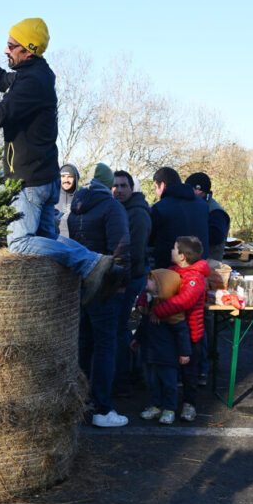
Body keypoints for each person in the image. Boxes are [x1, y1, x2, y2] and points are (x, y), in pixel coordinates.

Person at [0, 19, 120, 305]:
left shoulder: (32, 81)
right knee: (46, 239)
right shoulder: (35, 74)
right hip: (43, 176)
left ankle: (90, 263)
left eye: (11, 46)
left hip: (29, 181)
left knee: (20, 243)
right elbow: (1, 79)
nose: (6, 50)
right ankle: (92, 265)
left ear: (28, 50)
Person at [67, 178, 130, 427]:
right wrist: (121, 283)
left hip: (81, 283)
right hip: (105, 285)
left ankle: (81, 402)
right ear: (107, 186)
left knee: (84, 343)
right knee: (105, 346)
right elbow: (121, 249)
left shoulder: (75, 209)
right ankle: (103, 409)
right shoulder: (112, 208)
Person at [143, 236, 209, 422]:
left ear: (183, 256)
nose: (171, 251)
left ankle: (189, 404)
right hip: (171, 331)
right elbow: (153, 287)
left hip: (190, 332)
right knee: (168, 369)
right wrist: (144, 302)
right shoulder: (172, 271)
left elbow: (184, 301)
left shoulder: (196, 277)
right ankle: (164, 404)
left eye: (174, 248)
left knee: (189, 371)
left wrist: (158, 311)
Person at [102, 166, 150, 392]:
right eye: (115, 185)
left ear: (132, 188)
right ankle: (128, 374)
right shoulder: (117, 209)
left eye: (123, 186)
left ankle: (124, 379)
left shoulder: (137, 213)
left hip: (130, 278)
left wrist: (121, 283)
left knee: (121, 328)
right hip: (121, 276)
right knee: (119, 327)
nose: (118, 190)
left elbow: (136, 251)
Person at [132, 258, 192, 425]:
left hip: (167, 357)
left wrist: (184, 353)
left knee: (169, 383)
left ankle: (169, 408)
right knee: (152, 382)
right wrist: (137, 339)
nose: (147, 283)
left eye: (151, 281)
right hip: (150, 354)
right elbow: (143, 325)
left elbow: (182, 333)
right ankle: (156, 405)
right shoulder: (150, 305)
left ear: (163, 286)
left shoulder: (172, 312)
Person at [148, 167, 209, 268]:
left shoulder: (160, 207)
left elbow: (150, 239)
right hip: (199, 269)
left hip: (171, 271)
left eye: (156, 187)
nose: (156, 192)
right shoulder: (203, 206)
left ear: (162, 185)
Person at [184, 172, 230, 260]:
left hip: (210, 265)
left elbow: (216, 238)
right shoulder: (197, 207)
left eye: (189, 189)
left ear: (199, 190)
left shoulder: (216, 211)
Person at [56, 163, 79, 238]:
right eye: (63, 176)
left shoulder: (81, 198)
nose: (66, 180)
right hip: (56, 244)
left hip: (76, 245)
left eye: (70, 177)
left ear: (75, 179)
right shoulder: (52, 198)